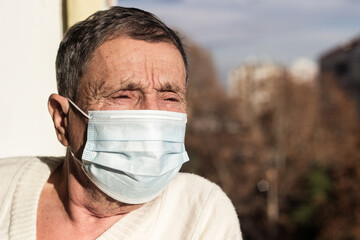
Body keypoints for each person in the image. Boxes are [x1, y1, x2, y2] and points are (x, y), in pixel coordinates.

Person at [0, 6, 242, 240]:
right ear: (62, 120)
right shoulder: (5, 188)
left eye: (169, 97)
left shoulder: (200, 214)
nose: (151, 116)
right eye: (123, 95)